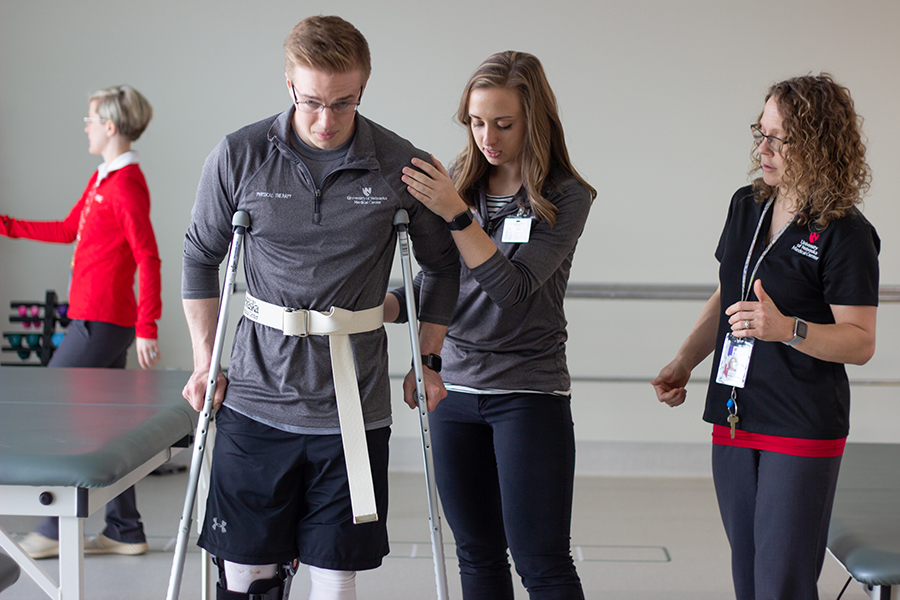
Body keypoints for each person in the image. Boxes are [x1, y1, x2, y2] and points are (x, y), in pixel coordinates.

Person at [181, 15, 459, 600]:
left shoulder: (400, 167)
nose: (326, 120)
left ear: (363, 90)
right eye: (311, 102)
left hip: (352, 411)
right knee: (245, 574)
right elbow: (201, 256)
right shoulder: (239, 155)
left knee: (336, 576)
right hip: (255, 401)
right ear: (288, 85)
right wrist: (205, 360)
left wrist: (428, 359)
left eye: (344, 103)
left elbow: (443, 266)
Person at [651, 74, 879, 600]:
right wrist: (685, 360)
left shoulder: (846, 233)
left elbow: (861, 341)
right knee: (749, 582)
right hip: (734, 413)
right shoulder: (746, 205)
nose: (763, 148)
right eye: (762, 132)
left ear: (818, 145)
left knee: (781, 585)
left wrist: (787, 330)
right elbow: (726, 295)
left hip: (800, 422)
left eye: (780, 138)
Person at [385, 51, 595, 600]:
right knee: (477, 557)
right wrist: (380, 308)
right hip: (454, 389)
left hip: (528, 392)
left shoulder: (566, 197)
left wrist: (456, 214)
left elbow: (512, 291)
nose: (488, 137)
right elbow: (440, 279)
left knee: (541, 561)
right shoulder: (460, 182)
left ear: (535, 121)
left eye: (504, 124)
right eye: (477, 123)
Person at [1, 85, 161, 559]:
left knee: (51, 410)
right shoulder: (103, 181)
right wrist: (5, 224)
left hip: (100, 321)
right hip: (97, 319)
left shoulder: (127, 184)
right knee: (103, 425)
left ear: (110, 126)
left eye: (90, 120)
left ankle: (51, 529)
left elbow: (147, 256)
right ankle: (125, 530)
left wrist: (148, 324)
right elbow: (69, 229)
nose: (86, 128)